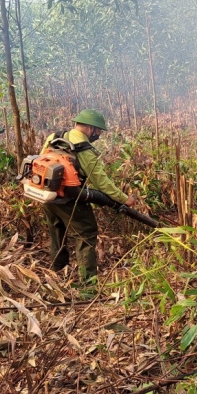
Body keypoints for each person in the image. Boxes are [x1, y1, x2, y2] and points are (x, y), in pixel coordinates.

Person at [42, 109, 137, 284]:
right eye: (99, 131)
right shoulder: (83, 148)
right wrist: (124, 199)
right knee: (86, 233)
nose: (99, 135)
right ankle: (88, 285)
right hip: (70, 198)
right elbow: (101, 181)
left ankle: (57, 275)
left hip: (48, 196)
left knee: (57, 233)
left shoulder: (54, 137)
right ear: (90, 129)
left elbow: (43, 159)